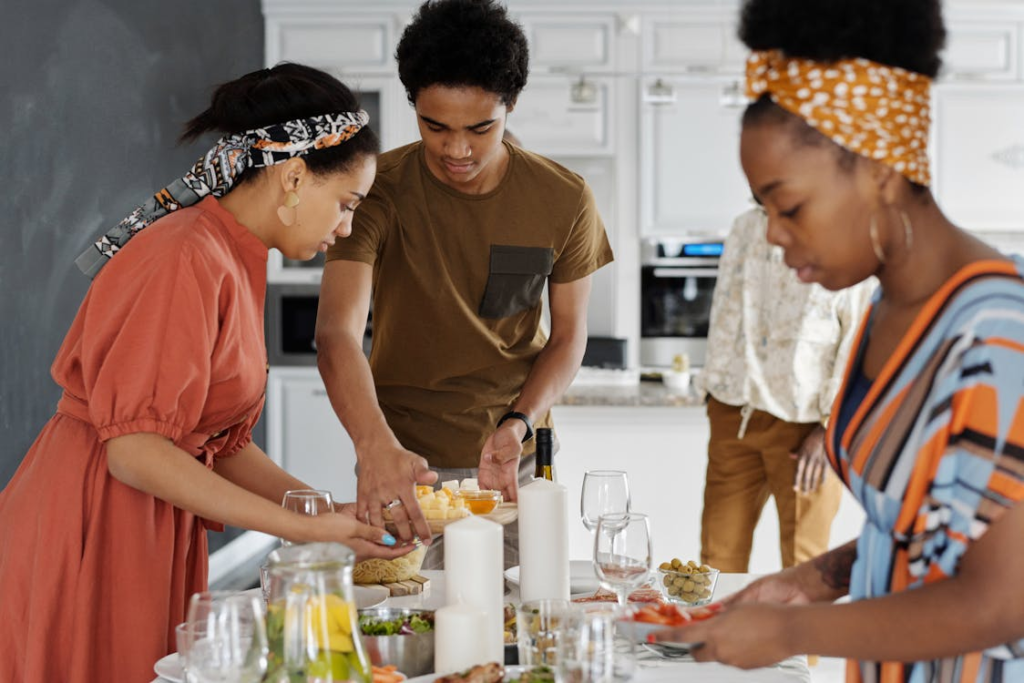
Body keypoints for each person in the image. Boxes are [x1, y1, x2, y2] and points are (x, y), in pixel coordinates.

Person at [0, 63, 412, 683]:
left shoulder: (228, 252)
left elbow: (215, 445)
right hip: (93, 524)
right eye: (346, 204)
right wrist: (301, 528)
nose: (345, 228)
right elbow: (135, 450)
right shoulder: (187, 255)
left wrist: (328, 514)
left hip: (144, 519)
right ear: (295, 175)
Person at [653, 1, 1024, 680]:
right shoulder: (886, 306)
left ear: (880, 168)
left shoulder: (999, 335)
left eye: (788, 206)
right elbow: (924, 531)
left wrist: (792, 628)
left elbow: (1001, 599)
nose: (770, 234)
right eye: (763, 209)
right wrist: (814, 578)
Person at [316, 0, 613, 566]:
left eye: (481, 128)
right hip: (401, 460)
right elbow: (336, 333)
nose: (456, 149)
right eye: (435, 126)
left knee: (517, 631)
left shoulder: (564, 197)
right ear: (414, 108)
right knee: (400, 629)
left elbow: (569, 336)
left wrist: (519, 423)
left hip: (511, 465)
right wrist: (373, 445)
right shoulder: (379, 190)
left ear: (512, 106)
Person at [697, 207, 874, 573]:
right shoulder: (745, 226)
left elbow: (860, 336)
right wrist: (714, 390)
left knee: (803, 565)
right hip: (734, 413)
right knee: (716, 565)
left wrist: (830, 426)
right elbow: (726, 306)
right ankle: (719, 633)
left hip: (806, 428)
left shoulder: (847, 232)